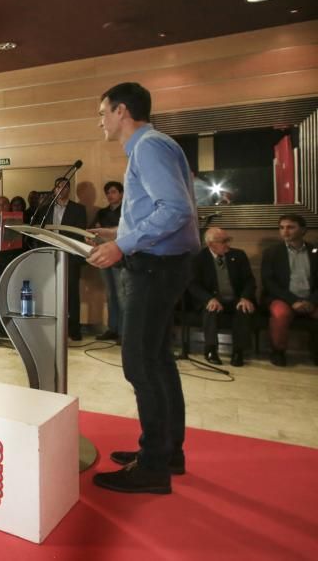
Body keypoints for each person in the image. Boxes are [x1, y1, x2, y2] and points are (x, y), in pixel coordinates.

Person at [87, 81, 200, 495]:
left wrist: (123, 244)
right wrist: (119, 231)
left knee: (139, 363)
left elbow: (174, 210)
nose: (100, 120)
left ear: (120, 111)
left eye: (103, 112)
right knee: (158, 360)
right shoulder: (157, 144)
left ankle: (152, 466)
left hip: (154, 269)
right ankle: (167, 452)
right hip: (164, 264)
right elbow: (161, 211)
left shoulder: (148, 146)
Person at [187, 228, 256, 367]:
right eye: (224, 241)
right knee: (210, 309)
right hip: (212, 299)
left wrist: (245, 297)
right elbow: (193, 285)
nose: (228, 244)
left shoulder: (239, 255)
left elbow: (249, 280)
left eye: (228, 240)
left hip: (235, 298)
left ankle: (238, 351)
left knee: (243, 309)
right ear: (211, 244)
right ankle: (210, 349)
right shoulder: (199, 259)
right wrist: (208, 299)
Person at [260, 214, 318, 367]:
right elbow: (269, 282)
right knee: (281, 314)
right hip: (282, 297)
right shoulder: (272, 252)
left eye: (291, 227)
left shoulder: (315, 251)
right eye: (282, 227)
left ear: (303, 230)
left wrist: (311, 301)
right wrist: (293, 301)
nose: (285, 231)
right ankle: (278, 351)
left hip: (310, 297)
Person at [40, 177, 88, 341]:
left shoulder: (79, 209)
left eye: (65, 186)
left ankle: (74, 328)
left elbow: (79, 233)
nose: (61, 189)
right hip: (50, 255)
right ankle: (54, 326)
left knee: (71, 292)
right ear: (54, 189)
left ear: (69, 189)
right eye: (58, 186)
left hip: (70, 255)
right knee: (51, 291)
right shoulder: (45, 209)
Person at [92, 181, 124, 342]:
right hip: (103, 255)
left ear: (121, 194)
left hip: (120, 257)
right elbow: (95, 230)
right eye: (108, 193)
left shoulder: (126, 211)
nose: (110, 195)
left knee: (121, 294)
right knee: (110, 293)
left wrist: (108, 233)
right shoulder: (102, 212)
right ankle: (113, 328)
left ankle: (124, 332)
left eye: (113, 192)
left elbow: (123, 233)